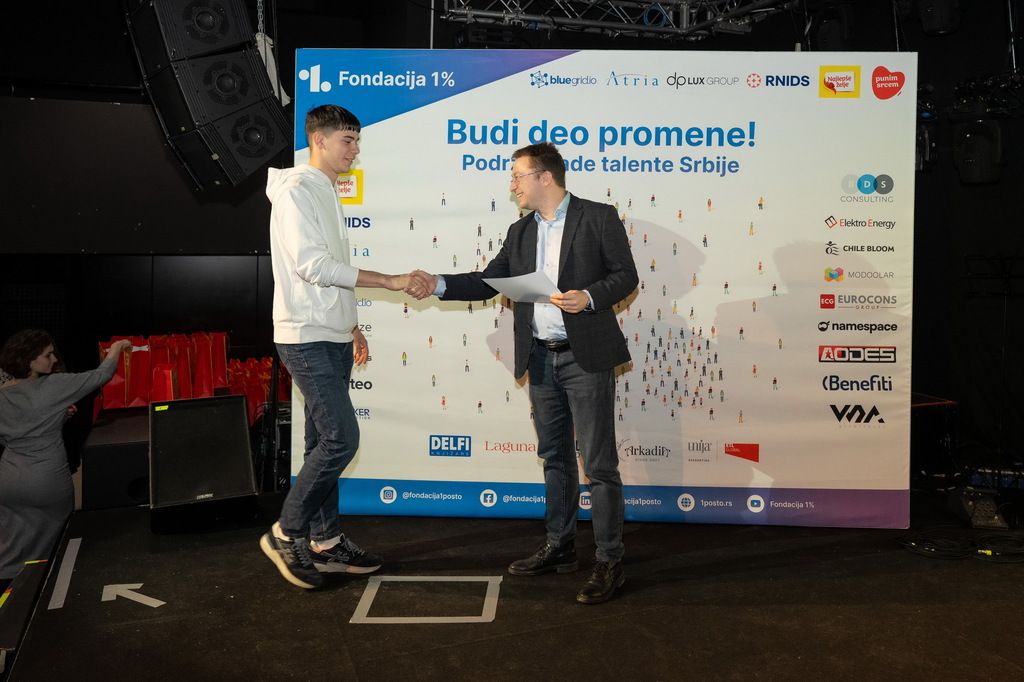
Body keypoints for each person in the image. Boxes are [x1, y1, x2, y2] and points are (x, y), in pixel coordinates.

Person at [408, 142, 638, 604]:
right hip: (539, 357)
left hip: (585, 357)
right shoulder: (520, 231)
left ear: (544, 177)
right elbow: (489, 281)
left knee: (598, 465)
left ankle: (609, 560)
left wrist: (589, 297)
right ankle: (560, 546)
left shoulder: (598, 217)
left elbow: (625, 275)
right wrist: (439, 284)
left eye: (517, 176)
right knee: (555, 457)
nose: (512, 185)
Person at [261, 104, 410, 590]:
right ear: (318, 140)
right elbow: (313, 266)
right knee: (342, 439)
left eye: (357, 140)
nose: (355, 149)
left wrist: (351, 324)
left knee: (319, 443)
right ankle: (287, 531)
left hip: (332, 334)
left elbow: (332, 272)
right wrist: (389, 280)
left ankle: (324, 541)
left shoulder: (325, 190)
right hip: (305, 336)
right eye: (348, 140)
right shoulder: (297, 191)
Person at [0, 330, 132, 585]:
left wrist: (57, 417)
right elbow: (101, 375)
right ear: (29, 360)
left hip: (7, 480)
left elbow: (12, 434)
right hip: (46, 479)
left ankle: (8, 595)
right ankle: (46, 592)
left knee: (11, 541)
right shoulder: (53, 385)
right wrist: (117, 347)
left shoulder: (2, 393)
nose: (53, 360)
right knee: (56, 541)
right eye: (47, 355)